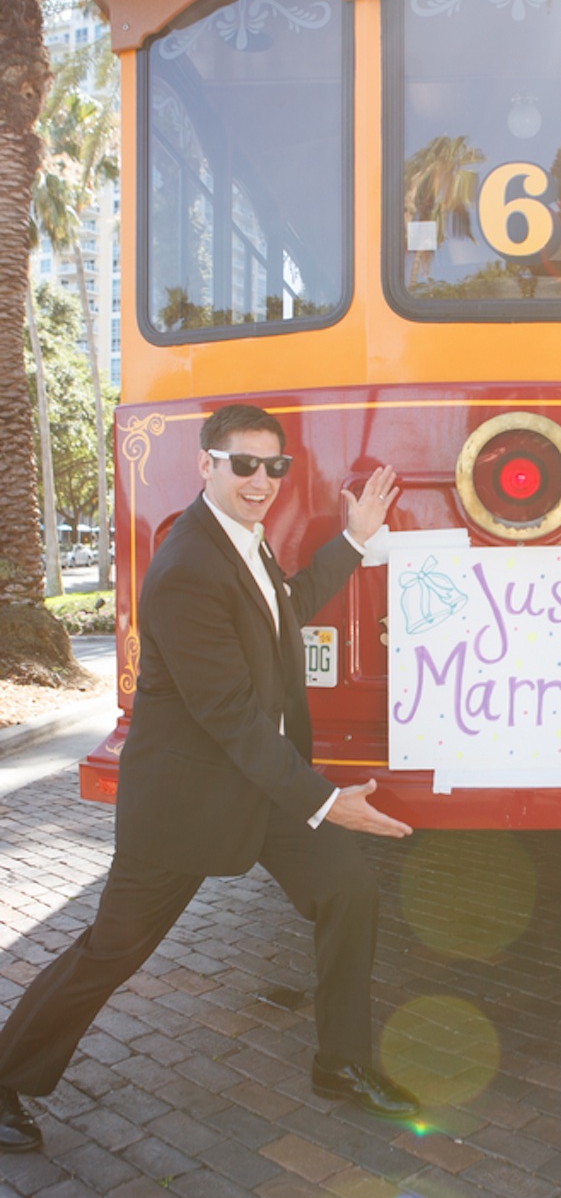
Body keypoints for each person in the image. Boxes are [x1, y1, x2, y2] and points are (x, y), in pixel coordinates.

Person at [0, 403, 419, 1153]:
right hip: (189, 802)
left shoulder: (242, 543)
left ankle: (341, 1064)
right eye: (244, 464)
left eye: (274, 466)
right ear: (207, 464)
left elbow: (283, 607)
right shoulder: (188, 565)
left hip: (261, 788)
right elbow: (227, 714)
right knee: (112, 950)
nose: (262, 481)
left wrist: (355, 538)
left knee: (349, 891)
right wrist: (326, 801)